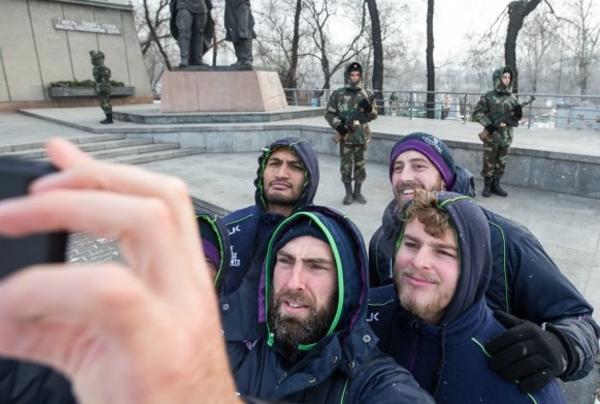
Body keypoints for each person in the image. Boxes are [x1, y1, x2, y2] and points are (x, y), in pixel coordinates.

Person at [0, 139, 239, 403]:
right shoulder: (98, 325)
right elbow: (26, 381)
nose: (186, 274)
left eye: (204, 263)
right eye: (181, 260)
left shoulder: (233, 333)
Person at [368, 132, 600, 391]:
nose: (405, 177)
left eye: (419, 166)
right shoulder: (382, 241)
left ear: (445, 178)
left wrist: (561, 346)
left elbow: (579, 319)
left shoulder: (506, 239)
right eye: (397, 168)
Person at [367, 189, 566, 402]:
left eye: (443, 252)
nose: (418, 261)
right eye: (411, 244)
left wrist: (565, 346)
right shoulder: (361, 314)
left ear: (473, 267)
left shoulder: (517, 371)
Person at [220, 205, 434, 402]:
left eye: (316, 266)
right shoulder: (234, 348)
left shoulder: (371, 383)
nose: (294, 283)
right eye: (285, 261)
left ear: (344, 286)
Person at [221, 137, 319, 295]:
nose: (281, 174)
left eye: (295, 167)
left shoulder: (325, 236)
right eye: (274, 163)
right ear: (262, 172)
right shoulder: (228, 229)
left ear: (310, 178)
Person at [324, 61, 378, 205]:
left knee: (361, 166)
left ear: (360, 76)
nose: (354, 78)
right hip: (346, 137)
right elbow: (329, 114)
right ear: (347, 76)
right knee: (345, 167)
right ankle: (348, 193)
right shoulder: (338, 94)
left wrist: (369, 109)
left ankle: (358, 192)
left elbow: (374, 116)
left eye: (357, 75)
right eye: (352, 75)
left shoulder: (367, 94)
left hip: (361, 137)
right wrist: (339, 126)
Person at [472, 66, 522, 197]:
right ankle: (487, 186)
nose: (506, 80)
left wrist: (518, 115)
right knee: (489, 162)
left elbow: (515, 120)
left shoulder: (513, 98)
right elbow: (477, 113)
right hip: (491, 137)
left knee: (501, 163)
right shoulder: (488, 97)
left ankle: (496, 185)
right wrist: (488, 125)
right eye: (504, 77)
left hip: (506, 137)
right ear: (498, 79)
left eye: (509, 78)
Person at [89, 50, 113, 124]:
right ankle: (108, 117)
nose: (92, 59)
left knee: (105, 102)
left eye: (93, 57)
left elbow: (101, 78)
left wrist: (101, 87)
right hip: (103, 86)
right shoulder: (101, 67)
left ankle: (109, 118)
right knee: (104, 102)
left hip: (103, 87)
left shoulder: (101, 68)